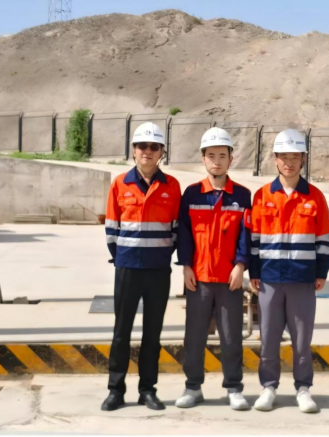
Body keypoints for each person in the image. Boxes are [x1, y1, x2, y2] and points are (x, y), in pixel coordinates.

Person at [250, 129, 329, 414]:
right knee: (269, 337)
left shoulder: (315, 197)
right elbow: (254, 239)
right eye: (284, 157)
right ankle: (268, 387)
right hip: (270, 279)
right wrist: (254, 271)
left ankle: (303, 389)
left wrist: (321, 271)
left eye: (295, 157)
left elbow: (325, 239)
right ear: (275, 159)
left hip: (302, 279)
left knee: (301, 340)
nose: (289, 162)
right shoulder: (262, 195)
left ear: (303, 159)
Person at [102, 122, 181, 412]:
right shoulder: (120, 184)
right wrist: (124, 256)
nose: (148, 151)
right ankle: (115, 390)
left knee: (152, 333)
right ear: (133, 151)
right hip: (127, 269)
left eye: (154, 147)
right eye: (142, 146)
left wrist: (161, 254)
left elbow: (176, 229)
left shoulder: (172, 186)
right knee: (121, 331)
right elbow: (112, 229)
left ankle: (147, 390)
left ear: (162, 152)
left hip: (158, 270)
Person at [175, 127, 252, 411]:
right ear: (203, 158)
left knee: (231, 337)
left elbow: (246, 234)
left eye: (222, 155)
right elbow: (184, 233)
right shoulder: (192, 194)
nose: (216, 161)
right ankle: (192, 387)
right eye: (211, 156)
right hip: (199, 278)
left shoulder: (242, 196)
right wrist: (185, 266)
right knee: (194, 337)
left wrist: (241, 265)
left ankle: (233, 388)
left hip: (230, 279)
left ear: (231, 158)